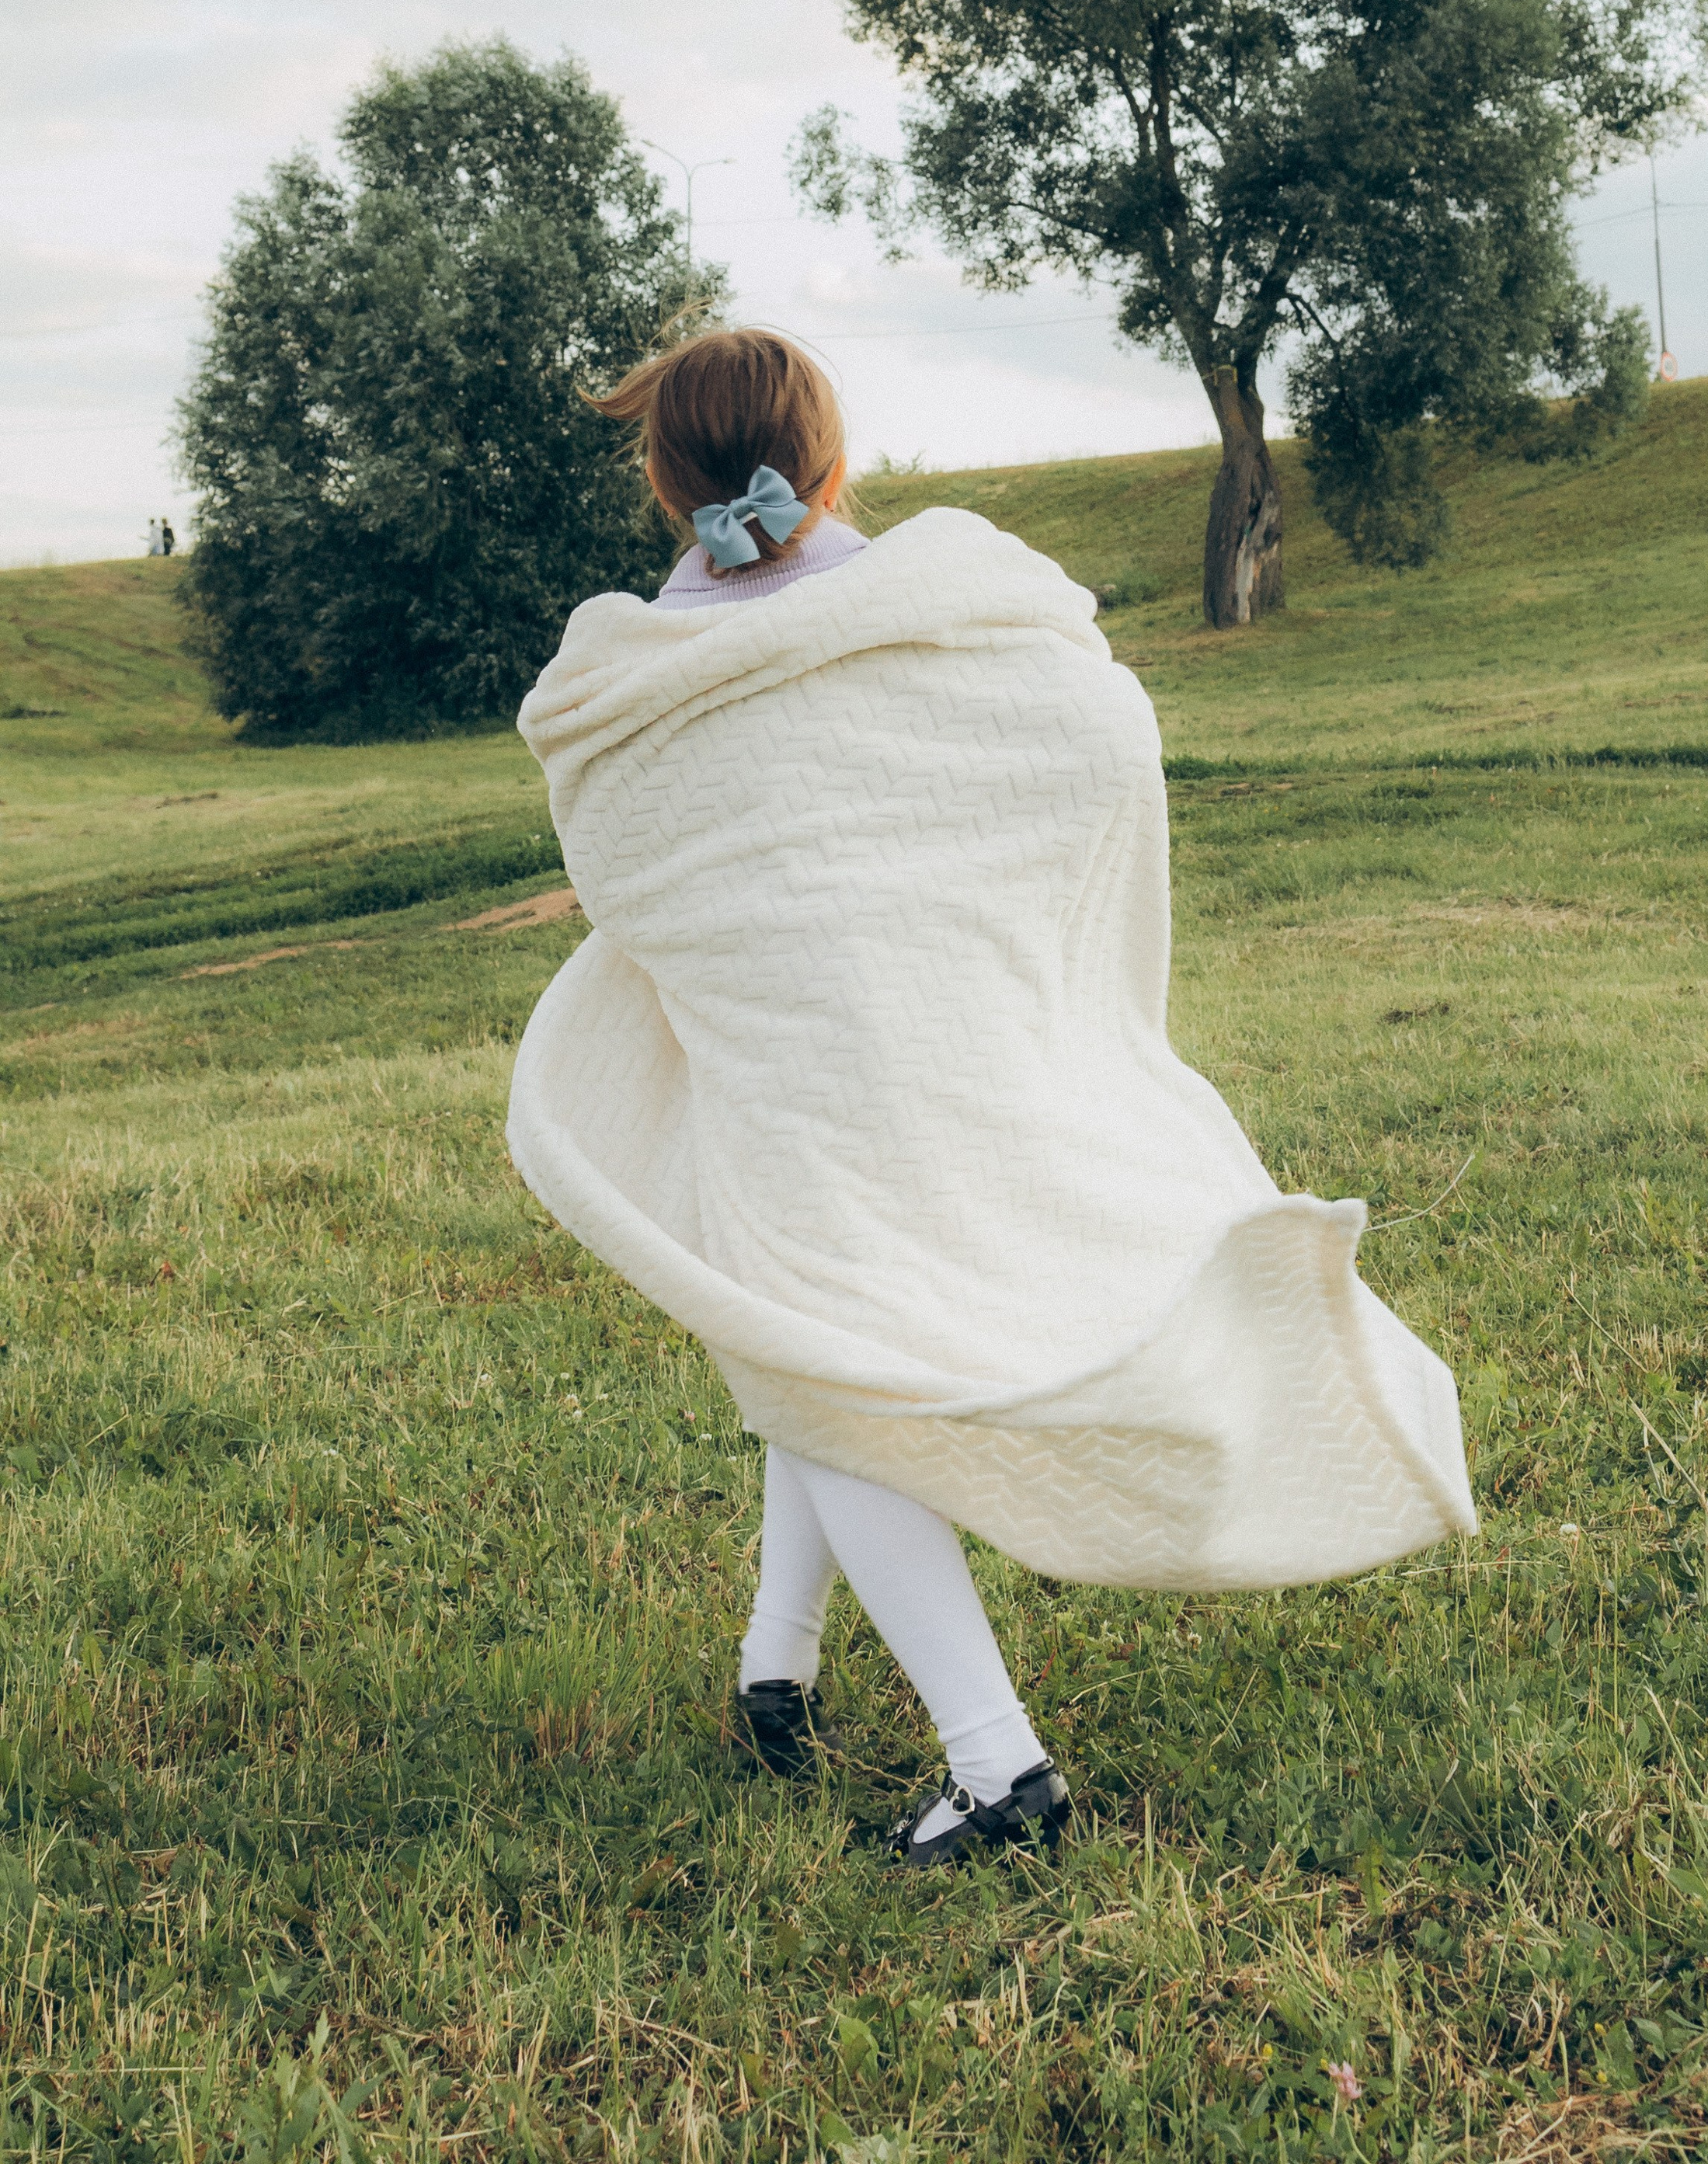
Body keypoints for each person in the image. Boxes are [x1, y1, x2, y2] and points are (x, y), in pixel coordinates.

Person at [510, 329, 1474, 1868]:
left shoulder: (624, 676)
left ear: (659, 478)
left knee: (824, 1355)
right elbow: (1085, 735)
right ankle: (778, 1661)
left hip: (803, 1059)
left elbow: (623, 855)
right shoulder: (957, 603)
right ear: (827, 456)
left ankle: (996, 1768)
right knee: (819, 1325)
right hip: (934, 1030)